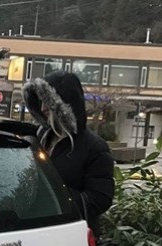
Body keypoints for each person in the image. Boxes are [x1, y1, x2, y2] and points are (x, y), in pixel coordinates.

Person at [22, 71, 115, 235]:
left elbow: (100, 198)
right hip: (36, 230)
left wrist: (55, 197)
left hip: (72, 234)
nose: (42, 107)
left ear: (65, 104)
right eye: (40, 101)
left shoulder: (94, 147)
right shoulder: (40, 137)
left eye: (48, 101)